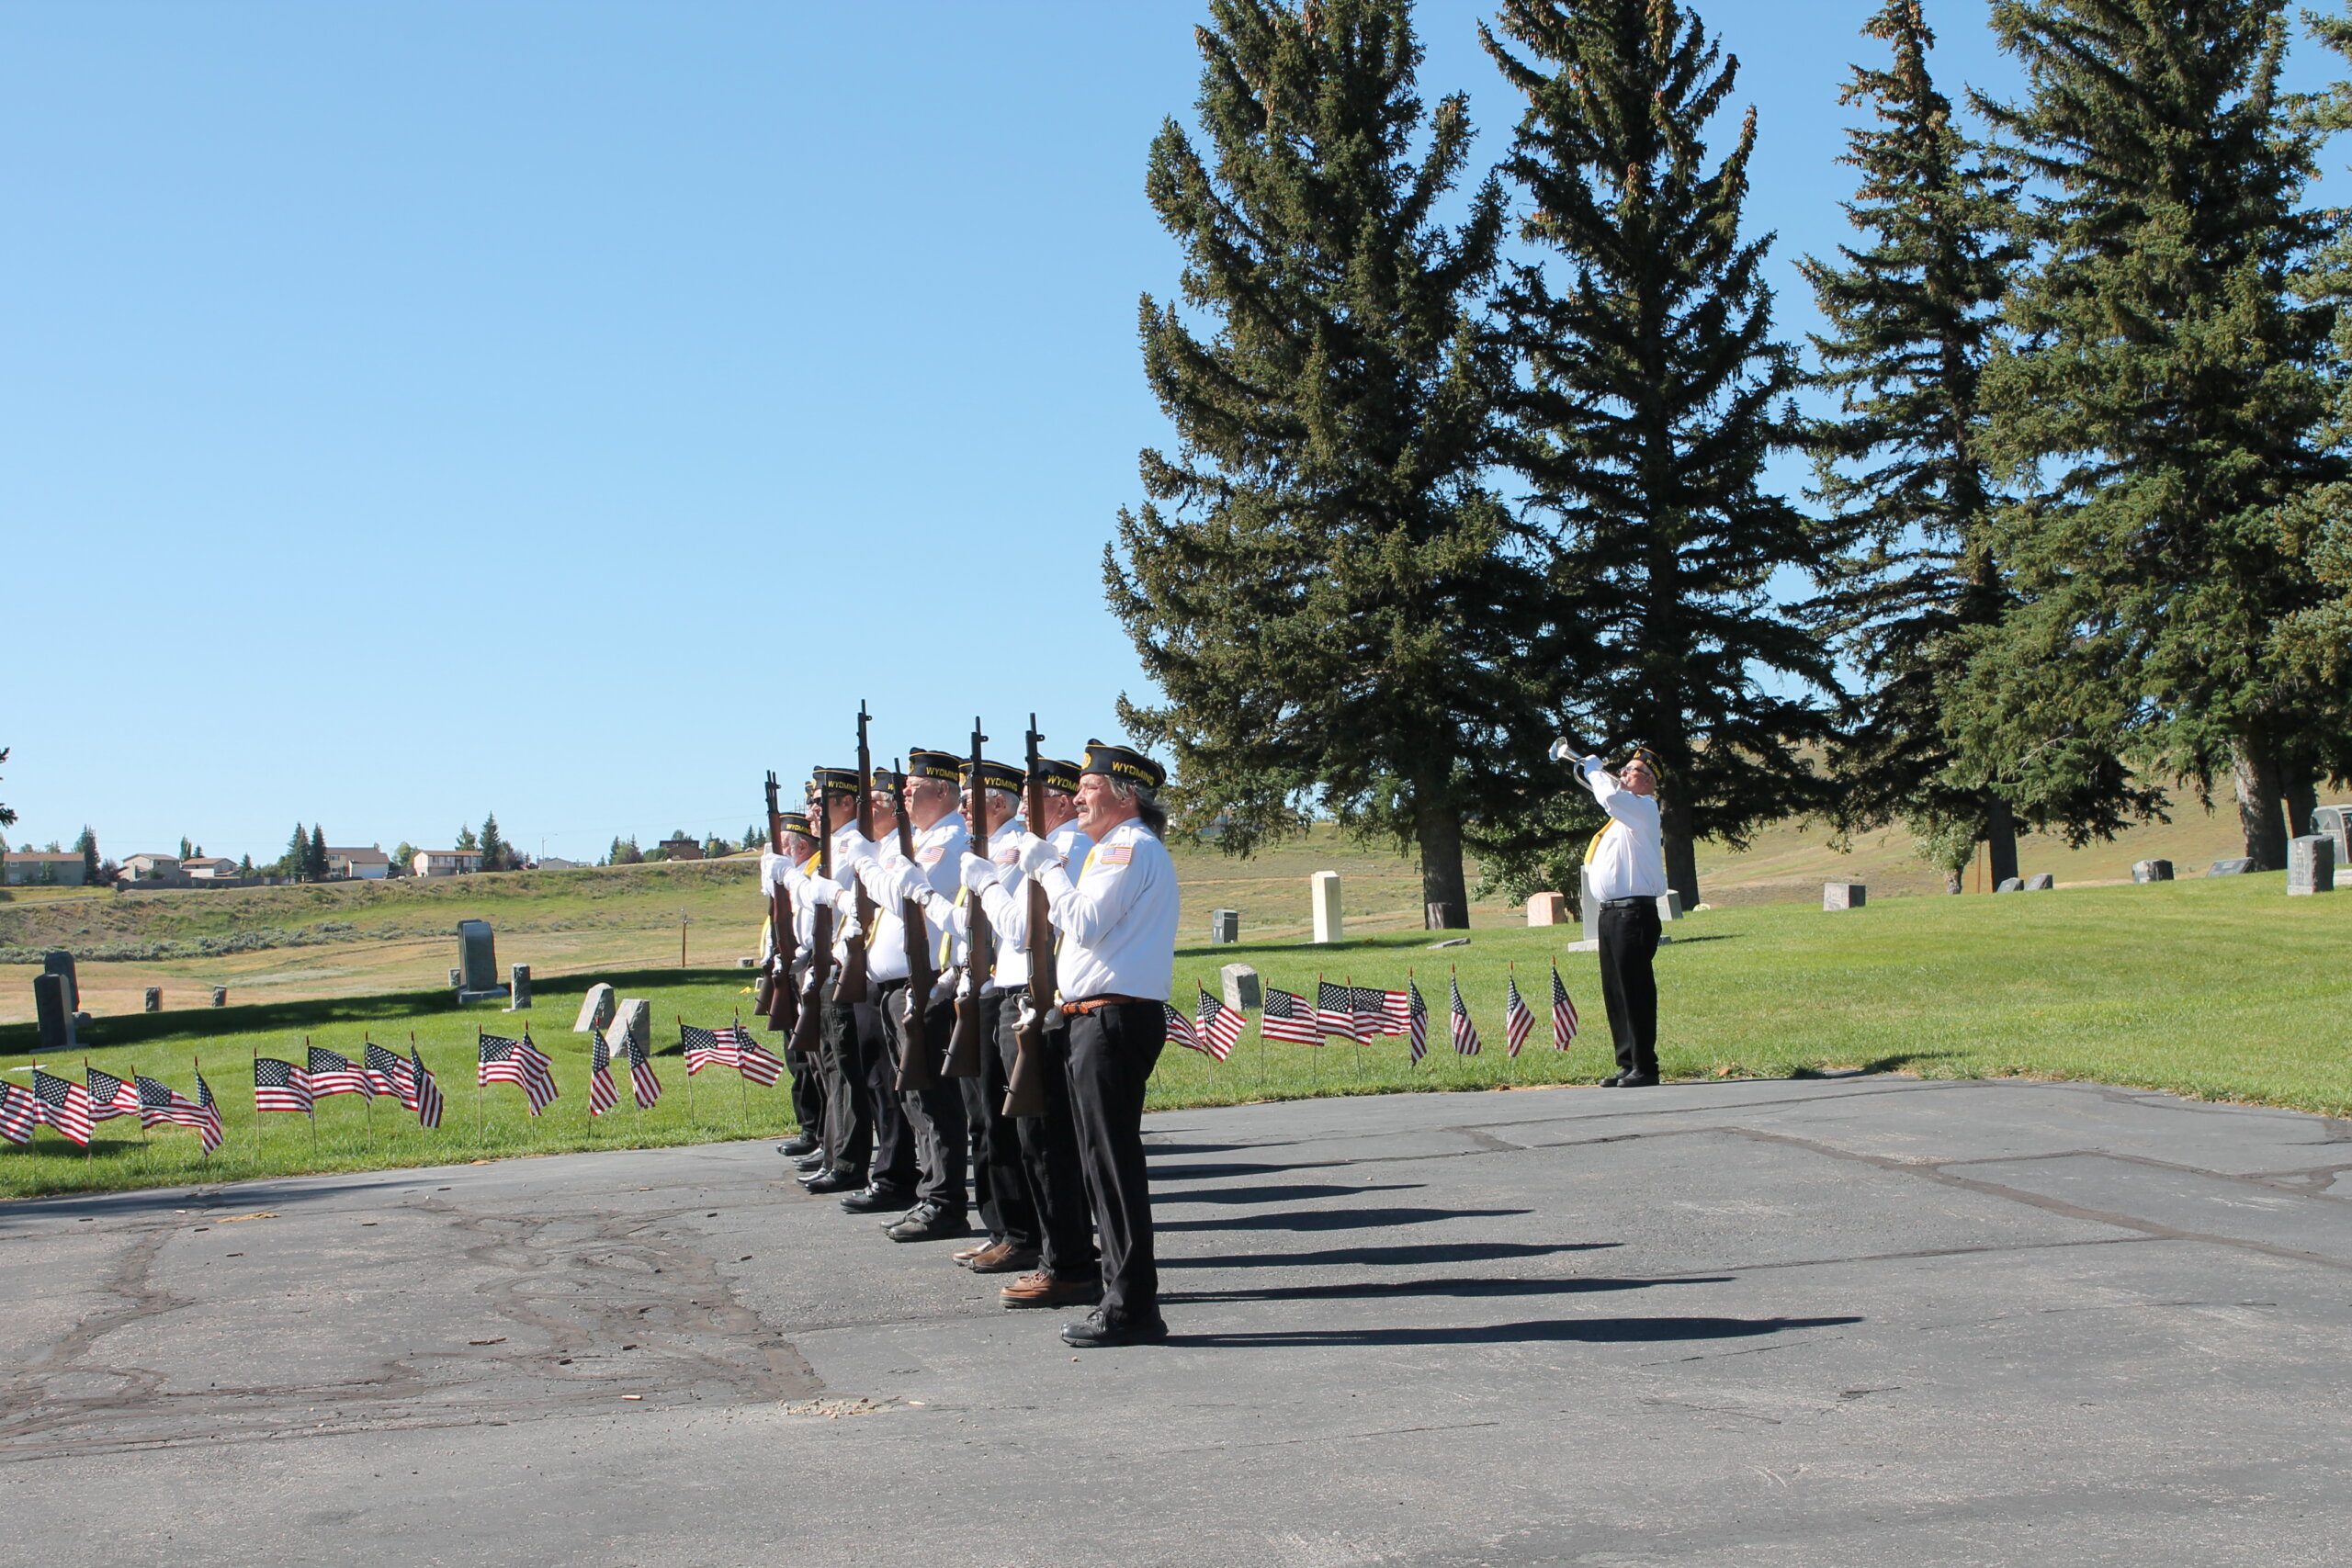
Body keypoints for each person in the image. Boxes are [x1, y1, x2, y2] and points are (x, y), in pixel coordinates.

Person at [1017, 739, 1179, 1348]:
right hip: (1096, 1020)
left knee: (1112, 1169)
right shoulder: (1119, 848)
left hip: (1111, 1024)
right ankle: (1122, 1296)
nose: (1077, 794)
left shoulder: (1126, 845)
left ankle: (1131, 1305)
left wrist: (1046, 867)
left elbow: (1083, 920)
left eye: (1089, 785)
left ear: (1125, 793)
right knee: (1102, 1167)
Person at [965, 753, 1099, 1307]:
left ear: (1062, 800)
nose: (1022, 800)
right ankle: (1040, 1248)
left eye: (1032, 790)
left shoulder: (1067, 848)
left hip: (1038, 998)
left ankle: (1063, 1260)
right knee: (1023, 1136)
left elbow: (1022, 929)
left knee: (1046, 1141)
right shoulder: (1040, 847)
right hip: (1015, 993)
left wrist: (986, 885)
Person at [842, 750, 972, 1243]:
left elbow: (906, 900)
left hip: (927, 983)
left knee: (933, 1099)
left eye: (913, 788)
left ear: (942, 792)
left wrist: (864, 862)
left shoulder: (949, 840)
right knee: (914, 1097)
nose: (903, 797)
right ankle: (931, 1193)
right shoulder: (919, 841)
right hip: (899, 987)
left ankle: (943, 1201)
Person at [1552, 738, 1667, 1087]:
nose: (1624, 773)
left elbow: (1610, 797)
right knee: (1615, 991)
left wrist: (1593, 768)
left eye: (1632, 771)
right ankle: (1627, 1061)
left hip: (1634, 913)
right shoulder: (1622, 817)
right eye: (1626, 769)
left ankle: (1646, 1066)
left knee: (1635, 989)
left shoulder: (1644, 807)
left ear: (1647, 781)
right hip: (1611, 914)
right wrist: (1595, 772)